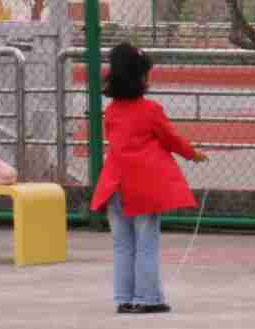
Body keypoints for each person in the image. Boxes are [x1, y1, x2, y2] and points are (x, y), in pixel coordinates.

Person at [87, 42, 207, 315]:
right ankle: (147, 297)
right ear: (141, 77)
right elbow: (171, 139)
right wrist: (193, 154)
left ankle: (124, 298)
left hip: (114, 184)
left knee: (122, 245)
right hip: (143, 187)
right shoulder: (150, 109)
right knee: (146, 244)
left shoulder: (112, 111)